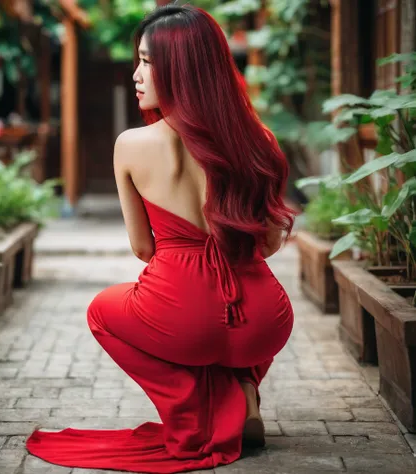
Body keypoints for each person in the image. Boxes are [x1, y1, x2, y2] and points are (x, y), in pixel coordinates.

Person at [26, 4, 295, 473]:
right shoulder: (261, 140)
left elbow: (143, 249)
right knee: (228, 325)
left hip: (180, 312)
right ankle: (244, 393)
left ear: (183, 69)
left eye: (148, 62)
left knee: (102, 312)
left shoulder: (131, 145)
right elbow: (269, 245)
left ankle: (194, 417)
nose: (136, 74)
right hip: (263, 318)